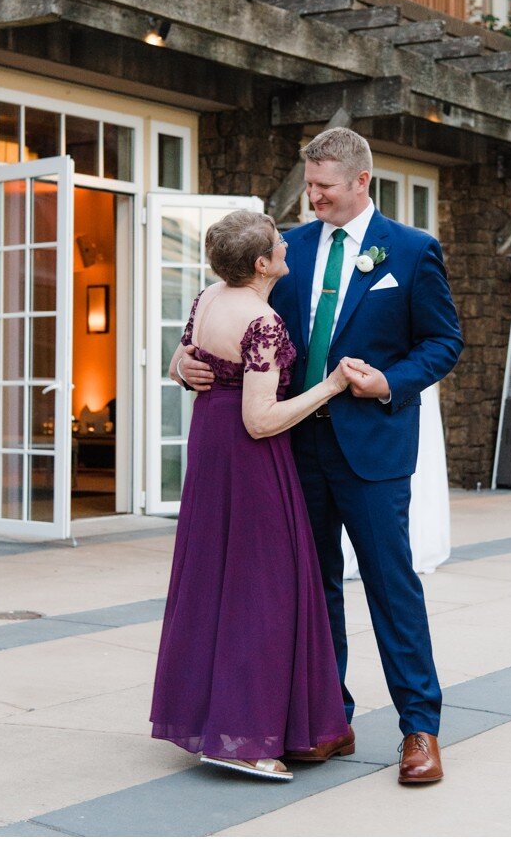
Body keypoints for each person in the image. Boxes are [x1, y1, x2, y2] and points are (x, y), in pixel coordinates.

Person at [178, 127, 463, 785]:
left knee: (393, 589)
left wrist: (390, 382)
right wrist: (184, 360)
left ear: (362, 182)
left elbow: (444, 343)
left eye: (324, 188)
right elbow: (228, 317)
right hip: (289, 447)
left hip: (374, 451)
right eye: (308, 185)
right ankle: (326, 721)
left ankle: (420, 728)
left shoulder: (414, 252)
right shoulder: (287, 251)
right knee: (309, 589)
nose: (312, 198)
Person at [151, 210, 352, 781]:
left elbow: (179, 362)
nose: (288, 243)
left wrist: (185, 371)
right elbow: (262, 420)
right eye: (278, 242)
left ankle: (207, 720)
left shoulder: (209, 297)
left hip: (210, 445)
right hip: (248, 457)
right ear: (263, 264)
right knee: (263, 592)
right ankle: (241, 739)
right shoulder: (262, 320)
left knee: (212, 581)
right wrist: (331, 385)